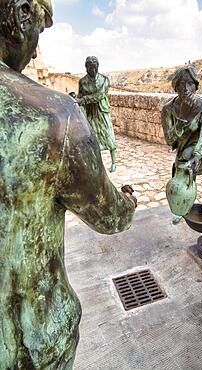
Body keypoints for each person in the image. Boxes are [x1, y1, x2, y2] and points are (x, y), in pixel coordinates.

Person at [0, 1, 136, 368]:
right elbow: (109, 217)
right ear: (21, 14)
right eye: (40, 30)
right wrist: (127, 201)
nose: (33, 51)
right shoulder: (55, 114)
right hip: (32, 339)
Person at [161, 66, 202, 220]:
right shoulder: (168, 109)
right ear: (175, 86)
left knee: (186, 165)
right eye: (181, 84)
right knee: (180, 171)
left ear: (196, 85)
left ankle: (182, 207)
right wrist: (177, 128)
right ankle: (181, 207)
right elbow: (169, 140)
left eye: (189, 83)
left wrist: (198, 155)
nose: (185, 88)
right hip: (183, 148)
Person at [77, 56, 117, 172]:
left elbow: (100, 95)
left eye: (95, 67)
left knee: (108, 134)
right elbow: (81, 95)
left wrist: (84, 99)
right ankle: (97, 162)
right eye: (90, 67)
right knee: (93, 137)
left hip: (102, 110)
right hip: (90, 112)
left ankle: (114, 161)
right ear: (86, 68)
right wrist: (77, 97)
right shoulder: (82, 81)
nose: (93, 70)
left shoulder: (104, 79)